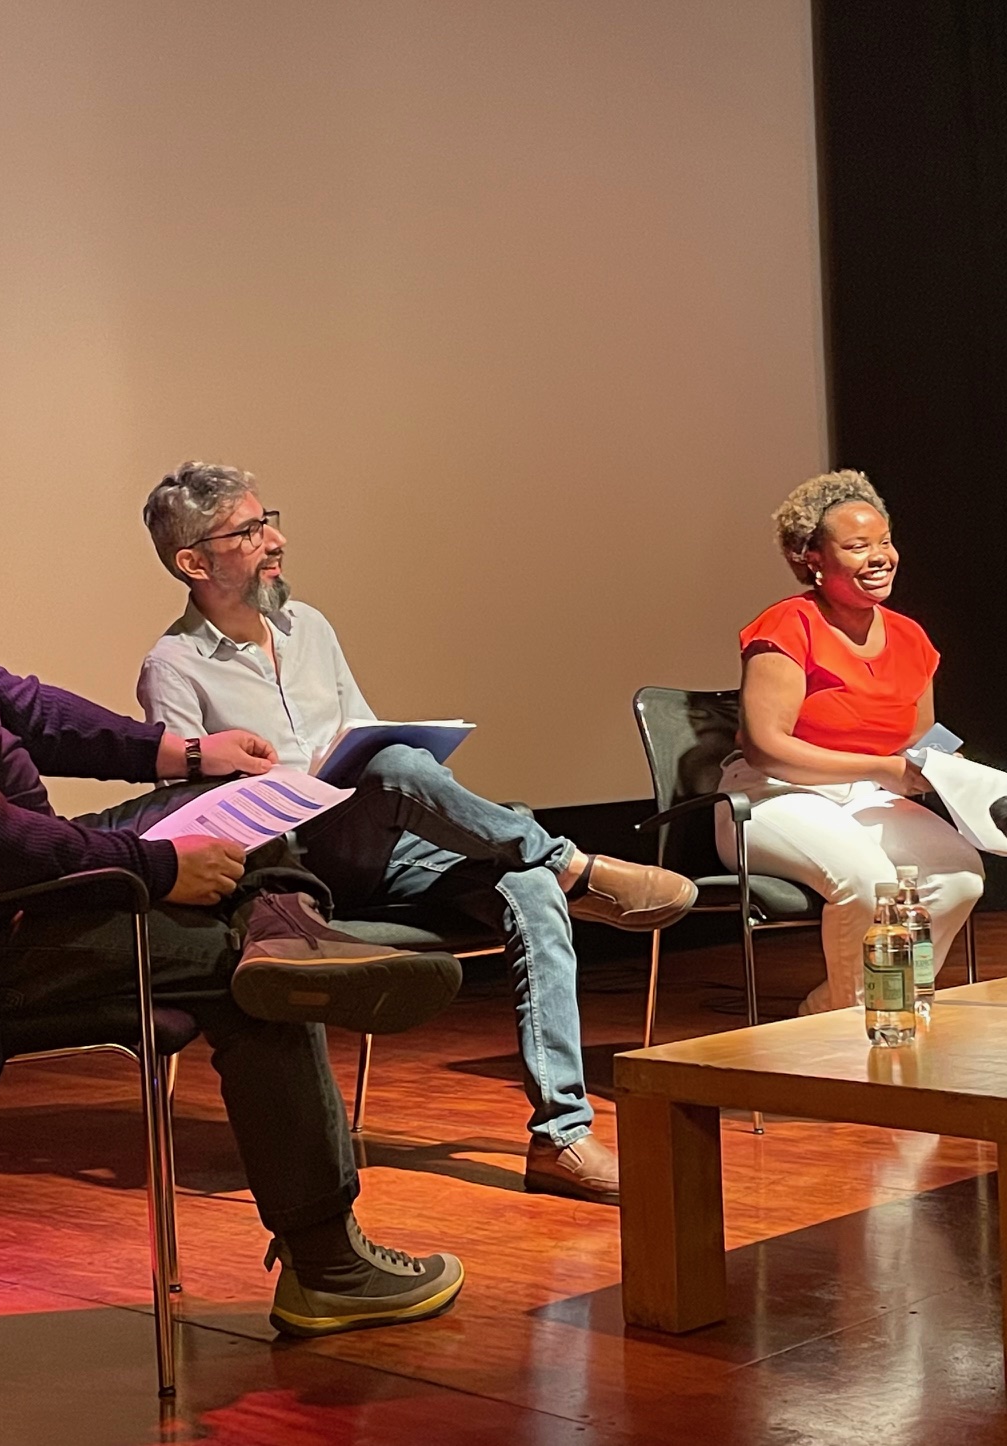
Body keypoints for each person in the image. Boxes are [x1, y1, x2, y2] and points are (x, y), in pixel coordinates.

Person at [0, 409, 466, 1338]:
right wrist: (155, 864)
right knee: (249, 981)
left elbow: (15, 703)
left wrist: (183, 754)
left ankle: (292, 937)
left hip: (24, 881)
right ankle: (330, 1261)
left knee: (258, 808)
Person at [134, 462, 699, 1206]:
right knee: (401, 767)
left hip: (375, 846)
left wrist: (364, 759)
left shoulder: (312, 629)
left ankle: (560, 1137)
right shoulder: (173, 665)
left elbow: (356, 737)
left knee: (519, 884)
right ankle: (571, 863)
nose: (276, 540)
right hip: (291, 866)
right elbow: (191, 807)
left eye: (268, 518)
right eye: (249, 531)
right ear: (194, 562)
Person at [721, 470, 984, 1015]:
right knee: (867, 882)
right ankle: (857, 1026)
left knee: (960, 877)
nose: (880, 556)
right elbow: (765, 748)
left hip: (863, 795)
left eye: (885, 541)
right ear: (810, 558)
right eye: (857, 546)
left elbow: (917, 741)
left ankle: (849, 1005)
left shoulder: (911, 637)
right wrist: (882, 769)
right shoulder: (788, 624)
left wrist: (943, 767)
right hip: (771, 796)